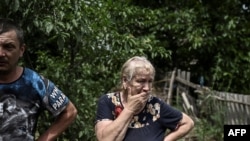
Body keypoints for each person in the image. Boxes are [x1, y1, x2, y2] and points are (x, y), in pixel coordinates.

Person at [0, 18, 77, 141]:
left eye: (8, 47)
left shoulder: (35, 82)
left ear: (21, 50)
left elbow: (69, 112)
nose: (1, 53)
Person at [95, 56, 194, 141]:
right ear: (125, 81)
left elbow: (188, 123)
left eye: (150, 81)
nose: (147, 88)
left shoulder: (155, 105)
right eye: (141, 81)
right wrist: (129, 109)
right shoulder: (108, 102)